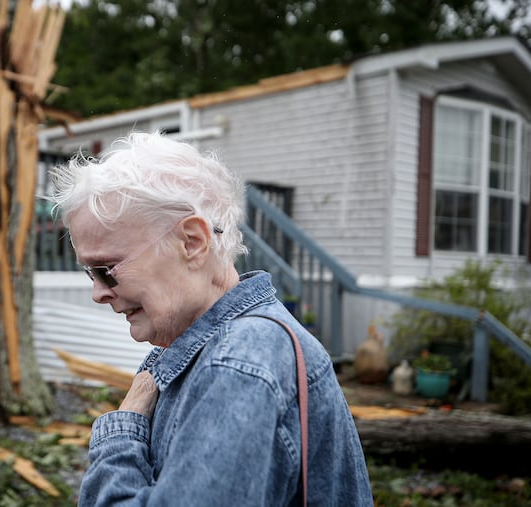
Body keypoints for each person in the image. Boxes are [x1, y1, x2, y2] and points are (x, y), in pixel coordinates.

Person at [49, 131, 373, 506]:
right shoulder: (226, 347)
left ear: (193, 243)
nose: (98, 292)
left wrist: (124, 430)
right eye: (90, 274)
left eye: (106, 268)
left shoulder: (238, 364)